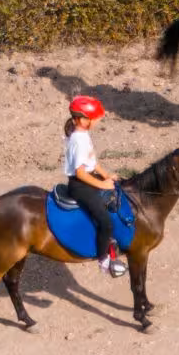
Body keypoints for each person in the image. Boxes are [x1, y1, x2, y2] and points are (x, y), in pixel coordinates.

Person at [62, 95, 128, 279]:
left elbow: (92, 161)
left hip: (90, 178)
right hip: (81, 185)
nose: (98, 122)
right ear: (83, 120)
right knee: (106, 222)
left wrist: (106, 174)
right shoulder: (78, 140)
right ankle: (104, 260)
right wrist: (103, 184)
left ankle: (110, 239)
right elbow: (80, 173)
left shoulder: (83, 134)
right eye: (96, 119)